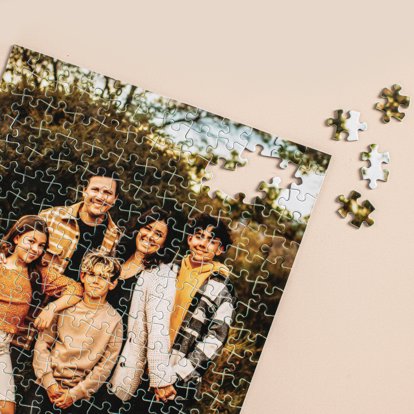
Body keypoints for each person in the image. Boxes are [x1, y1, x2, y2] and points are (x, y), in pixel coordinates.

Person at [94, 208, 180, 413]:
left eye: (158, 234)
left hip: (117, 364)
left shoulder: (161, 276)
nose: (150, 236)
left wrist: (160, 377)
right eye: (147, 228)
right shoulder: (117, 258)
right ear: (138, 228)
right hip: (89, 350)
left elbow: (158, 328)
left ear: (166, 243)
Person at [20, 251, 123, 414]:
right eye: (91, 275)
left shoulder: (114, 320)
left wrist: (75, 394)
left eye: (103, 277)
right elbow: (42, 344)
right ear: (82, 276)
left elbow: (105, 367)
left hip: (77, 396)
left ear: (112, 283)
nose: (96, 281)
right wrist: (50, 383)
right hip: (43, 384)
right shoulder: (64, 306)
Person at [0, 215, 77, 414]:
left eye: (41, 245)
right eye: (31, 241)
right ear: (17, 238)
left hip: (3, 347)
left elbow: (75, 289)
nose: (35, 249)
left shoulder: (39, 274)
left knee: (7, 410)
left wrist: (51, 308)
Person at [34, 169, 123, 329]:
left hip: (72, 323)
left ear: (115, 199)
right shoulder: (50, 218)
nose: (100, 197)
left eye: (107, 193)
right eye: (95, 189)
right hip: (31, 309)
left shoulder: (114, 237)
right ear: (84, 191)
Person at [167, 213, 236, 412]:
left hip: (178, 377)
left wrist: (178, 374)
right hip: (147, 362)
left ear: (220, 249)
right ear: (190, 239)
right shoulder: (170, 270)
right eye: (199, 236)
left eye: (212, 241)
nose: (203, 244)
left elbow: (216, 338)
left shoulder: (222, 287)